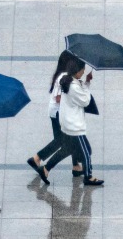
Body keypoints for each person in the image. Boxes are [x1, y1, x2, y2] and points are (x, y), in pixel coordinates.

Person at [45, 57, 104, 186]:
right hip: (74, 125)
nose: (83, 72)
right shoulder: (73, 86)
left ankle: (46, 168)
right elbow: (85, 101)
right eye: (82, 70)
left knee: (67, 149)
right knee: (86, 151)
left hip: (67, 122)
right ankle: (88, 177)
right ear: (77, 71)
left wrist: (86, 81)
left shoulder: (67, 80)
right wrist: (87, 86)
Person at [27, 50, 82, 183]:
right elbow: (58, 98)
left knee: (62, 140)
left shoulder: (65, 75)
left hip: (57, 112)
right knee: (69, 142)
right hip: (59, 113)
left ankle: (75, 166)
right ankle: (46, 166)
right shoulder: (64, 76)